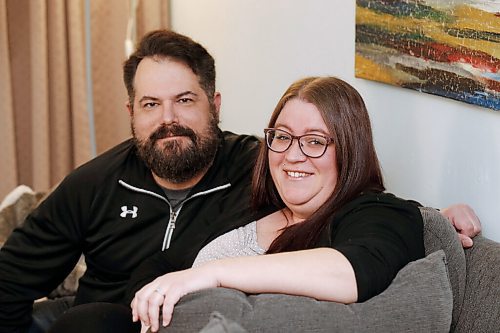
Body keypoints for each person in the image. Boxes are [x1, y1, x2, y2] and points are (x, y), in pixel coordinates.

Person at [0, 29, 480, 333]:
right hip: (105, 311)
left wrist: (431, 215)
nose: (169, 119)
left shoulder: (252, 166)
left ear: (215, 104)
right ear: (131, 113)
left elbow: (363, 222)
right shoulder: (96, 182)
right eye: (150, 105)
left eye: (185, 100)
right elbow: (10, 279)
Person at [124, 76, 426, 332]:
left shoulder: (377, 213)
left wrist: (213, 274)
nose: (292, 155)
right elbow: (162, 264)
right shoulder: (255, 204)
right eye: (282, 137)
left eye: (315, 141)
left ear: (350, 150)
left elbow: (355, 271)